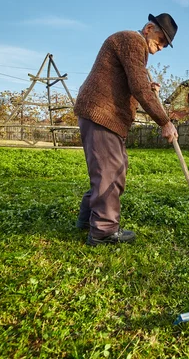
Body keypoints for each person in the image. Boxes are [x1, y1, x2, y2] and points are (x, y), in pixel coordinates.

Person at [74, 13, 179, 246]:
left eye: (165, 45)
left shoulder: (133, 46)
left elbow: (129, 80)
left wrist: (147, 86)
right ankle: (103, 231)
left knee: (114, 170)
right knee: (109, 172)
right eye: (161, 39)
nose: (161, 47)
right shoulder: (132, 41)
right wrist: (164, 121)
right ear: (149, 28)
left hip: (107, 116)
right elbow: (138, 86)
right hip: (101, 113)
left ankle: (86, 220)